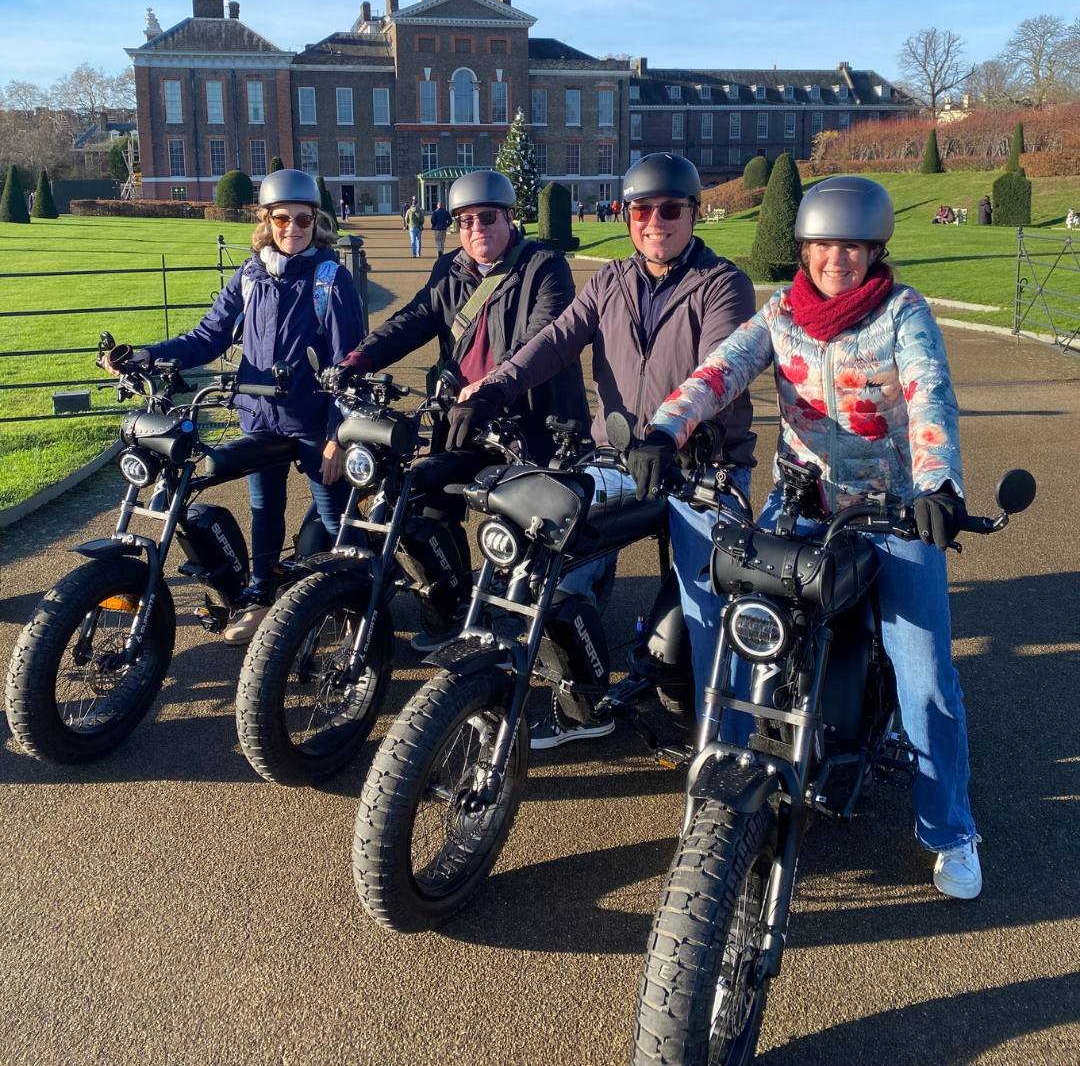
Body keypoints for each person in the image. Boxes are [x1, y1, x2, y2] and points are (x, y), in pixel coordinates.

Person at [629, 175, 982, 900]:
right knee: (744, 631)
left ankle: (950, 829)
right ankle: (730, 786)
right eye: (823, 245)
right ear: (804, 248)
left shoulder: (902, 315)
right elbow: (720, 369)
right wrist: (666, 427)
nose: (836, 260)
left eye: (851, 247)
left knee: (925, 678)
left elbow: (929, 392)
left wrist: (939, 483)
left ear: (875, 250)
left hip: (891, 511)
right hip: (802, 501)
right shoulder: (783, 312)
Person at [446, 153, 757, 749]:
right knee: (554, 569)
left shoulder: (721, 285)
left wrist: (670, 433)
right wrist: (490, 390)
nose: (655, 222)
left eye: (670, 209)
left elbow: (722, 371)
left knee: (699, 617)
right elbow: (554, 341)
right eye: (642, 210)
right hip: (617, 458)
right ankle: (583, 707)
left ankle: (728, 746)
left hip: (702, 466)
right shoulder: (610, 280)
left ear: (694, 214)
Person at [110, 170, 365, 644]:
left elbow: (347, 364)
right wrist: (146, 354)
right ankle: (261, 596)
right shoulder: (250, 276)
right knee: (265, 510)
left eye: (303, 219)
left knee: (337, 518)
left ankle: (359, 609)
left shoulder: (331, 279)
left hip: (314, 423)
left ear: (317, 221)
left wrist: (337, 437)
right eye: (282, 218)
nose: (293, 228)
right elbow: (206, 337)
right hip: (259, 416)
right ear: (266, 220)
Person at [339, 169, 589, 650]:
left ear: (511, 217)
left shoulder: (543, 266)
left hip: (531, 422)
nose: (476, 229)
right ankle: (450, 604)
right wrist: (359, 358)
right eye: (465, 220)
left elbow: (538, 340)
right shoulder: (451, 269)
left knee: (527, 528)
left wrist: (490, 390)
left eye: (487, 217)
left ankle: (530, 619)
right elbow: (414, 319)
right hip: (463, 417)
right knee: (428, 501)